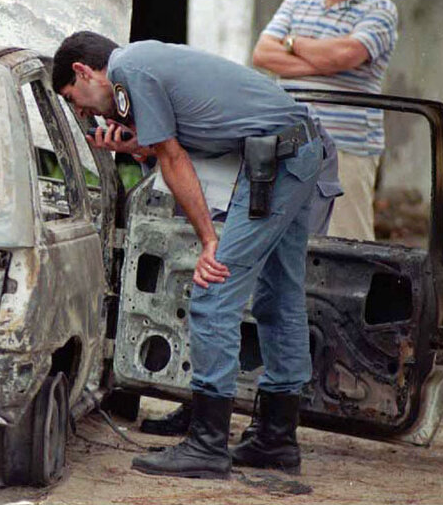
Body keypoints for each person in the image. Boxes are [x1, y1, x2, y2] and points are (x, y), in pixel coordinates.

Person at [54, 32, 324, 479]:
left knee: (212, 290)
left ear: (83, 71)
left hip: (276, 160)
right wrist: (134, 147)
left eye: (75, 99)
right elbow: (193, 137)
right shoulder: (141, 62)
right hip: (296, 148)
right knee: (279, 295)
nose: (83, 111)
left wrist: (209, 241)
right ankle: (277, 438)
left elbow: (174, 157)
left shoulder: (128, 72)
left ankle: (207, 445)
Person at [252, 0, 398, 241]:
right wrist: (326, 63)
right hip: (289, 140)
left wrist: (293, 43)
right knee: (281, 237)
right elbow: (262, 54)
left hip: (346, 147)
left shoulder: (381, 9)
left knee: (346, 244)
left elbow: (344, 56)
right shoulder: (298, 0)